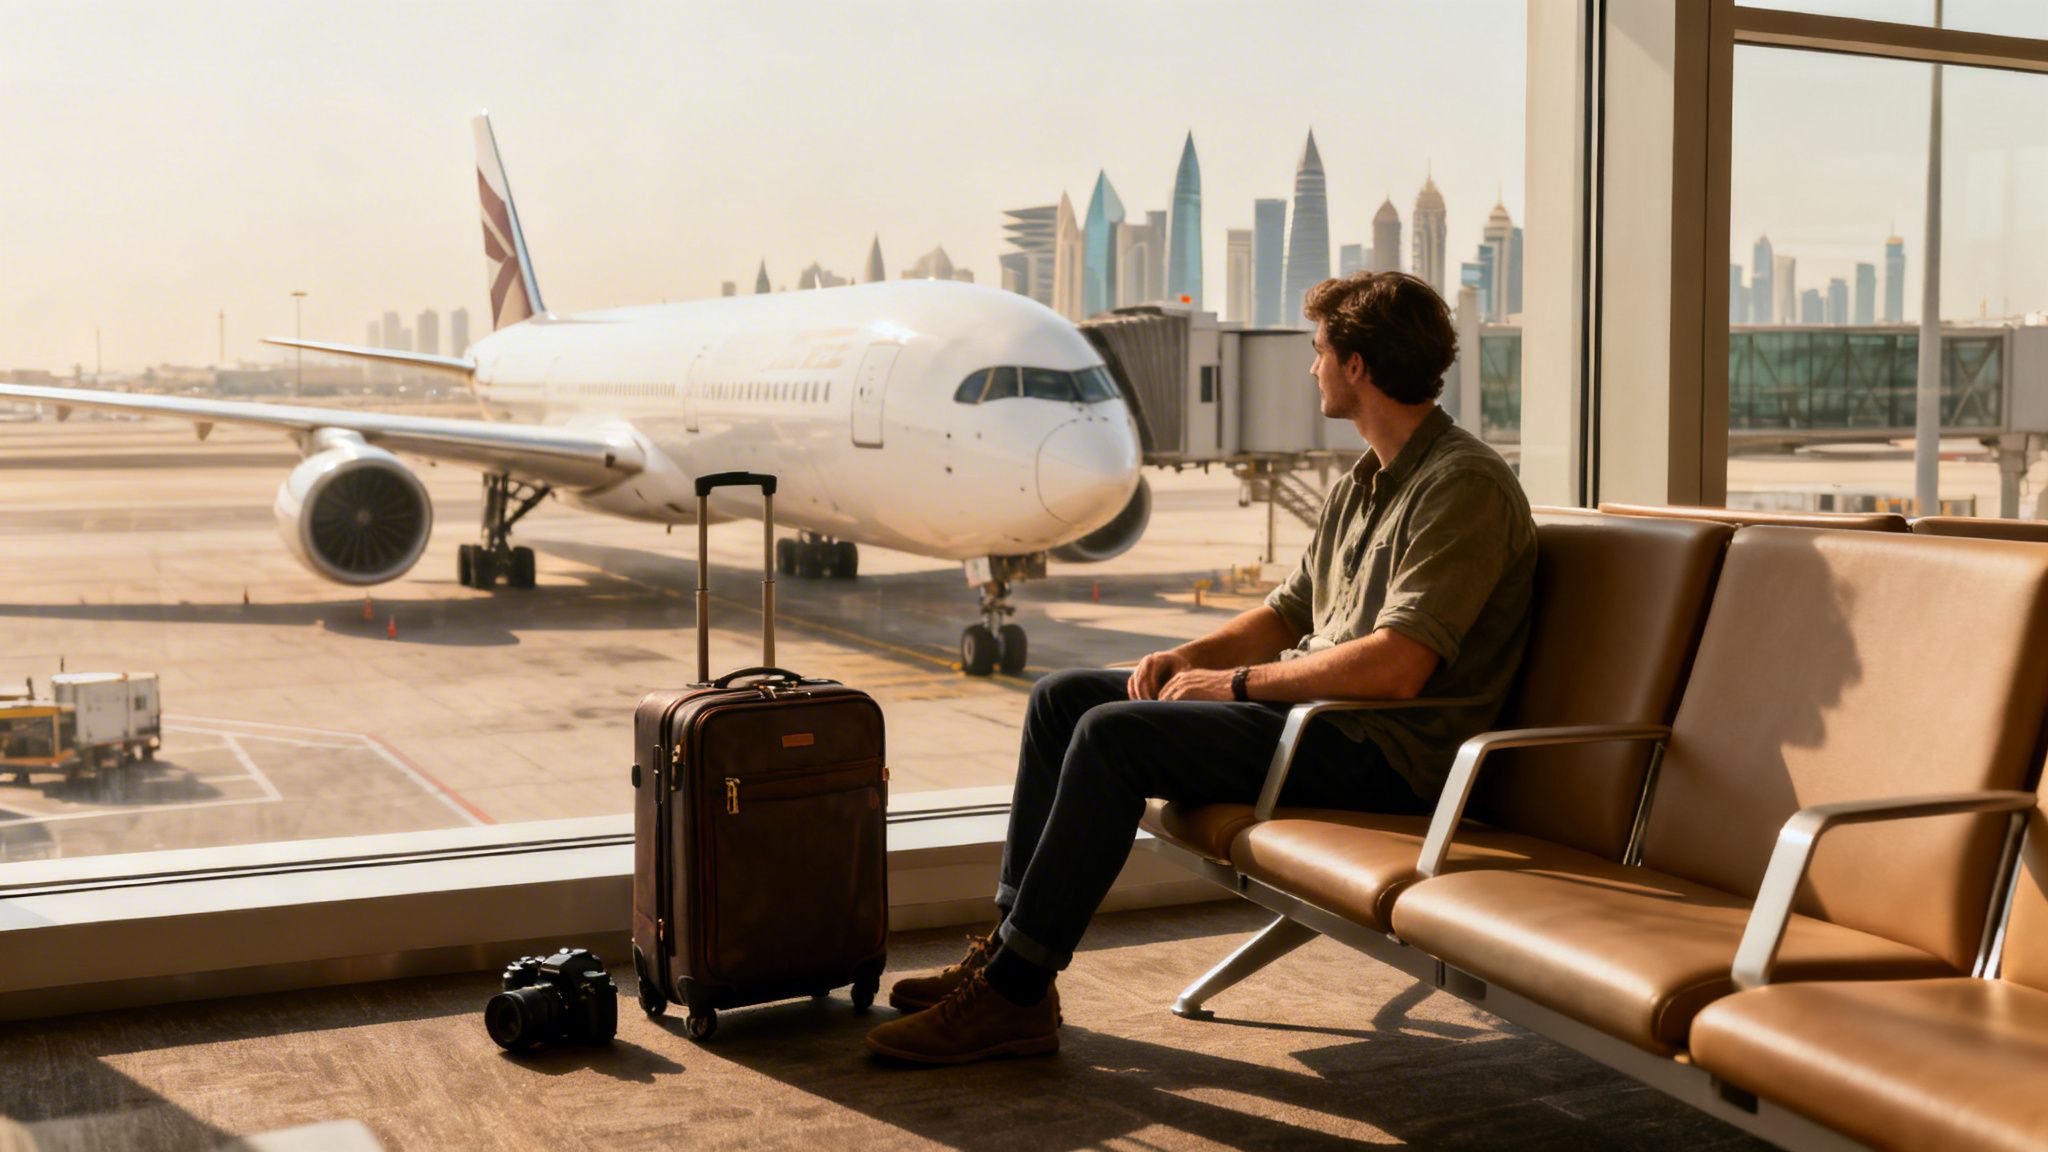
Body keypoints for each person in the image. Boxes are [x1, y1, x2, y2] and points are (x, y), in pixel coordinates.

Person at [865, 271, 1538, 1065]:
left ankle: (1013, 996)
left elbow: (1397, 668)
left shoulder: (1461, 486)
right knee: (1061, 698)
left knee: (1113, 738)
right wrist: (1189, 658)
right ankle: (1012, 953)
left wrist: (1235, 685)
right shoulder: (1365, 482)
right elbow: (1288, 613)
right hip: (1315, 722)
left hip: (1383, 751)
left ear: (1358, 367)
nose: (1310, 368)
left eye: (1320, 351)